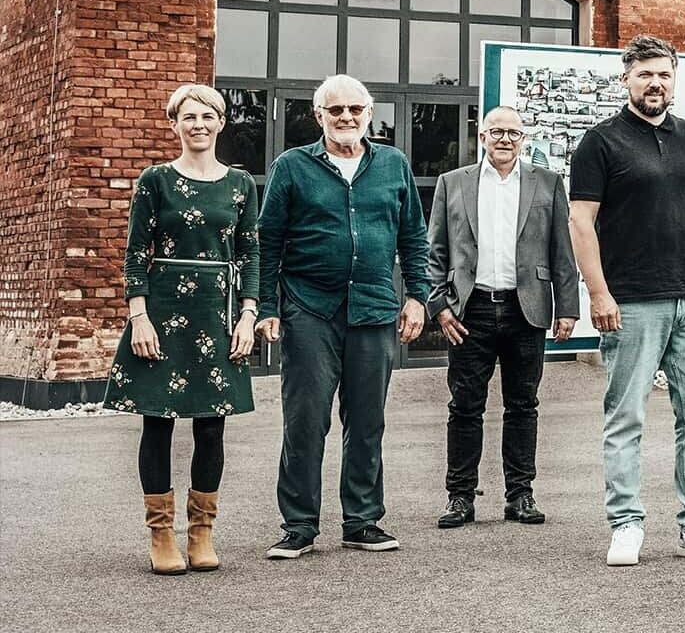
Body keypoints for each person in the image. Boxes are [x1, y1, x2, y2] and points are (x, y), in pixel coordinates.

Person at [570, 34, 685, 565]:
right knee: (626, 419)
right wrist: (598, 292)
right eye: (645, 74)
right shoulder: (600, 142)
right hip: (632, 303)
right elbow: (581, 221)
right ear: (626, 80)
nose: (655, 83)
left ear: (675, 80)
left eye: (664, 74)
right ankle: (625, 524)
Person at [256, 74, 430, 560]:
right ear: (319, 116)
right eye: (336, 110)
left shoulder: (392, 164)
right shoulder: (292, 167)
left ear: (369, 113)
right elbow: (267, 242)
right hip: (310, 309)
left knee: (367, 420)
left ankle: (362, 521)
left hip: (374, 309)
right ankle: (299, 526)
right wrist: (266, 308)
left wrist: (417, 296)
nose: (347, 118)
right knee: (305, 420)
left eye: (355, 109)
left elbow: (413, 238)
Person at [104, 84, 260, 574]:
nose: (198, 124)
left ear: (220, 123)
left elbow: (251, 253)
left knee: (211, 427)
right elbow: (134, 256)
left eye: (207, 116)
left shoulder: (240, 184)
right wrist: (139, 317)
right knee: (158, 421)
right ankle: (160, 537)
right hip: (162, 309)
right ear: (174, 124)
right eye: (188, 117)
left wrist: (249, 315)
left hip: (218, 312)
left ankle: (201, 533)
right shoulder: (155, 181)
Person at [425, 105, 580, 529]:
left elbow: (562, 250)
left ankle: (520, 495)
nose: (505, 140)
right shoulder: (453, 183)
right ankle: (460, 497)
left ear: (523, 139)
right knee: (464, 406)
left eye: (513, 133)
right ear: (483, 136)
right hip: (468, 309)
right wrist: (438, 306)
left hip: (525, 309)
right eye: (497, 132)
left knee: (523, 405)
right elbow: (435, 251)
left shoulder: (546, 184)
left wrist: (567, 308)